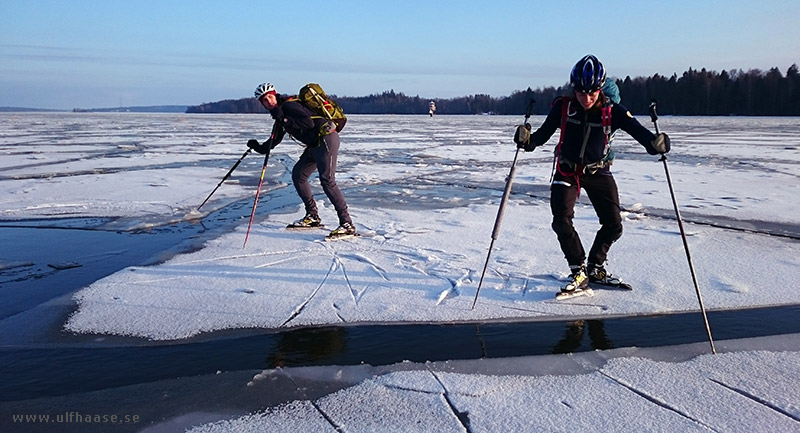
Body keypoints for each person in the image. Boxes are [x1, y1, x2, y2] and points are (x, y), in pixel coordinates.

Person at [514, 55, 670, 296]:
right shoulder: (563, 107)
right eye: (580, 92)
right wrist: (526, 140)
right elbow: (539, 138)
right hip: (567, 169)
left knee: (614, 225)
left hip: (598, 172)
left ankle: (596, 267)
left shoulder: (613, 111)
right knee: (561, 222)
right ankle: (578, 269)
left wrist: (656, 144)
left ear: (600, 89)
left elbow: (642, 135)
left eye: (592, 93)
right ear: (573, 89)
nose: (586, 98)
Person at [249, 82, 355, 238]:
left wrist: (284, 120)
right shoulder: (279, 113)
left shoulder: (289, 106)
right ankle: (312, 216)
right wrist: (257, 146)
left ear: (275, 94)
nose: (268, 101)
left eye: (270, 97)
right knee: (299, 175)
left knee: (327, 180)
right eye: (264, 100)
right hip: (315, 144)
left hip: (326, 139)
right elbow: (274, 141)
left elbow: (308, 122)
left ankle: (347, 224)